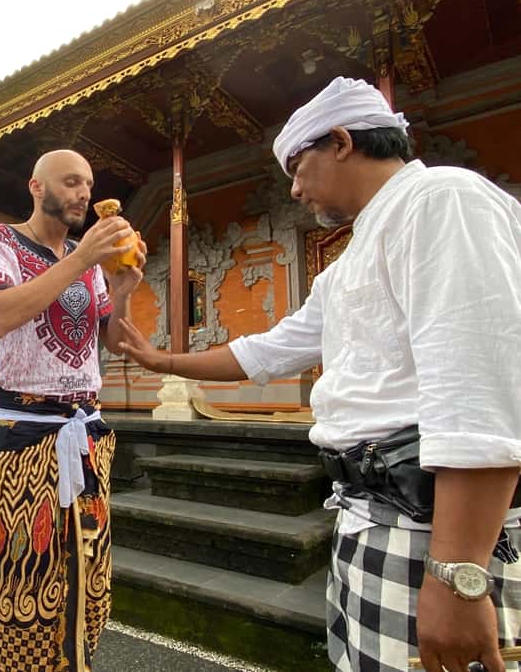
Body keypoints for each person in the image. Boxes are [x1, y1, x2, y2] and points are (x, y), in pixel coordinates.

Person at [117, 77, 521, 672]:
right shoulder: (352, 257)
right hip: (368, 517)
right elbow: (269, 351)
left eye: (298, 168)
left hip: (434, 533)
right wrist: (162, 362)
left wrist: (458, 576)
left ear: (339, 141)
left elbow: (478, 390)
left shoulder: (441, 200)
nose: (297, 189)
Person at [0, 149, 146, 671]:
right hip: (27, 434)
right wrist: (83, 260)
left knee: (86, 576)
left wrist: (122, 289)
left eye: (88, 184)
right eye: (70, 182)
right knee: (21, 575)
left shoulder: (86, 258)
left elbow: (113, 339)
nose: (83, 193)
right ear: (36, 187)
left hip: (86, 434)